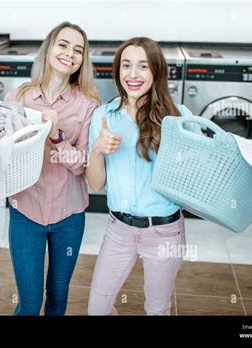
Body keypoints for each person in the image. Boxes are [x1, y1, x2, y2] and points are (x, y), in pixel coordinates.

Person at [86, 37, 198, 315]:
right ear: (117, 71)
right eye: (126, 65)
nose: (132, 74)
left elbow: (207, 166)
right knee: (97, 308)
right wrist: (97, 151)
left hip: (164, 232)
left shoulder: (178, 118)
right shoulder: (103, 116)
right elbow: (96, 184)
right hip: (119, 230)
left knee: (157, 309)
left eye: (143, 67)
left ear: (156, 72)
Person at [2, 22, 99, 315]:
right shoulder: (17, 98)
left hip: (68, 216)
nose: (70, 53)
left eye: (78, 50)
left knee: (57, 295)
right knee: (30, 303)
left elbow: (83, 165)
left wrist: (57, 136)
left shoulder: (88, 105)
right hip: (25, 213)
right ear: (49, 49)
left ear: (83, 60)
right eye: (63, 45)